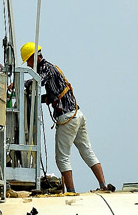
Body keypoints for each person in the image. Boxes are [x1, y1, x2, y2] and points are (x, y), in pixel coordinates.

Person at [19, 42, 113, 193]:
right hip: (77, 114)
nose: (29, 66)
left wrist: (19, 84)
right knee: (87, 151)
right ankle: (103, 185)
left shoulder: (46, 68)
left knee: (62, 157)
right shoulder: (53, 67)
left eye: (28, 62)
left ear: (34, 58)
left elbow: (37, 82)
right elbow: (52, 94)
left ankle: (70, 190)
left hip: (67, 118)